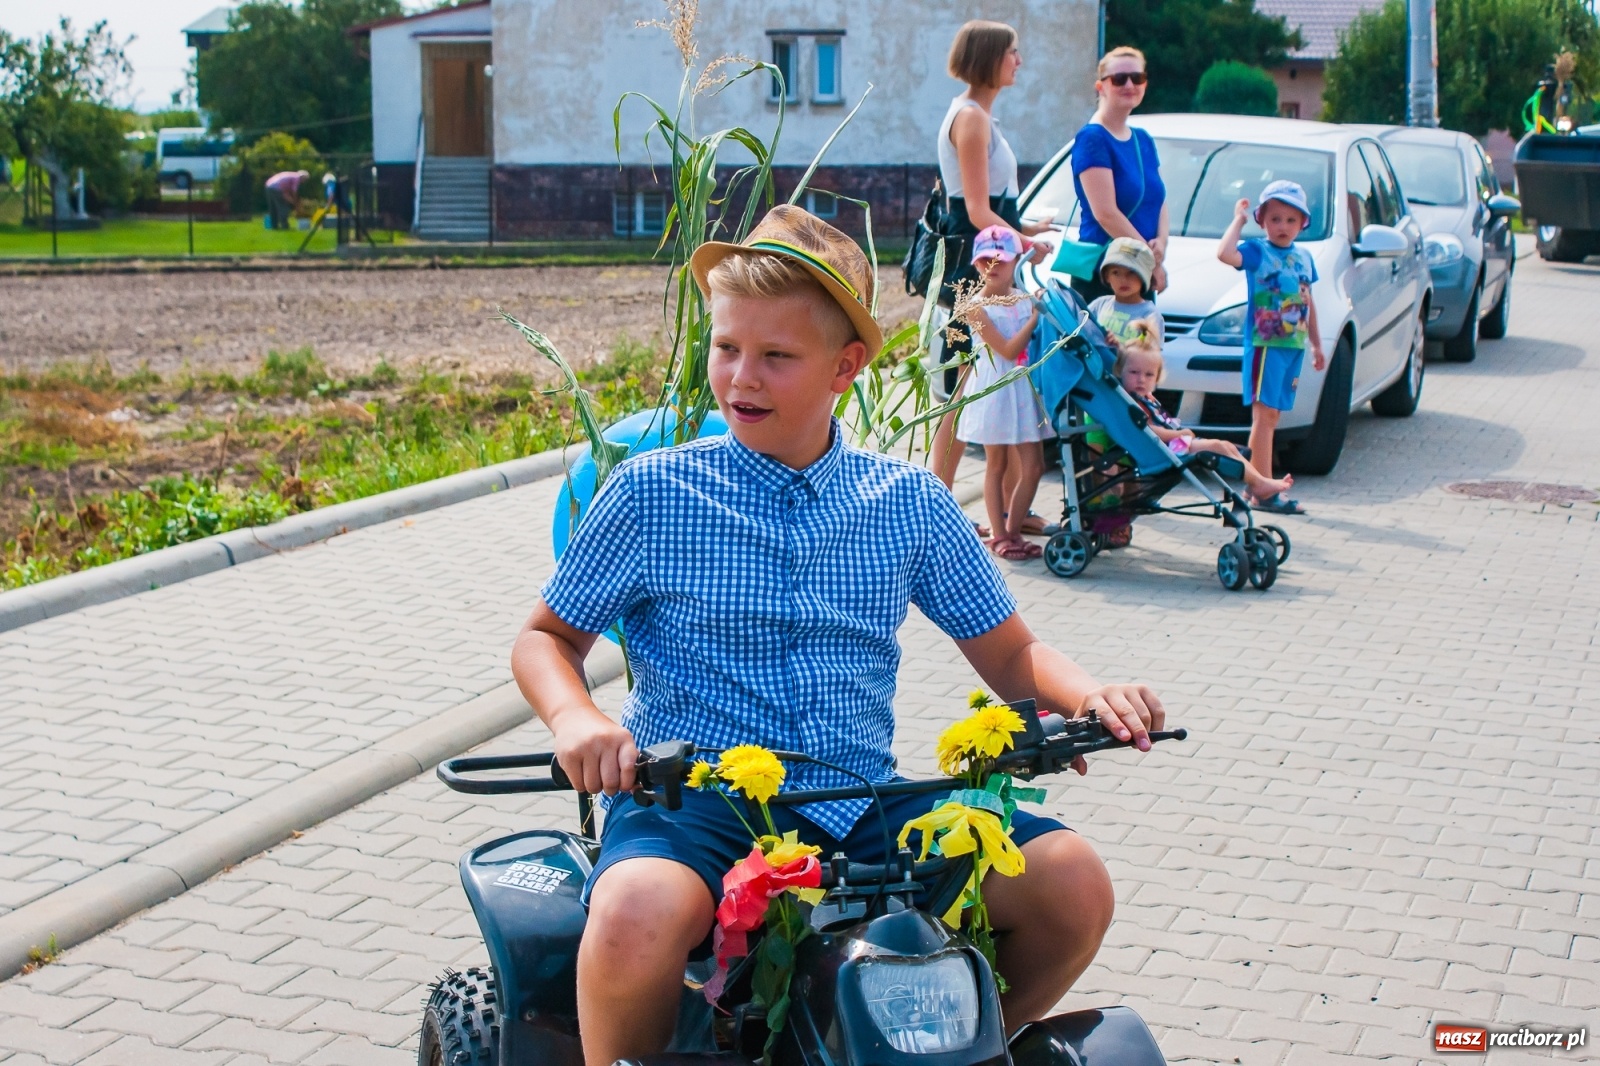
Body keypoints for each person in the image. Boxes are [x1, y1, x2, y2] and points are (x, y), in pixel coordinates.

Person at [510, 204, 1165, 1066]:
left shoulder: (906, 504)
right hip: (696, 806)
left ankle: (938, 1052)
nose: (741, 376)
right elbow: (545, 640)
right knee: (633, 911)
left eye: (776, 356)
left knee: (1072, 884)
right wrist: (576, 721)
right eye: (727, 347)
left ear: (846, 366)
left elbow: (1011, 655)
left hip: (860, 805)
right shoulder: (652, 493)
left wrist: (1089, 696)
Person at [930, 19, 1056, 492]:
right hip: (975, 270)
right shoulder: (971, 118)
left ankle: (995, 512)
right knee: (965, 389)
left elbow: (985, 207)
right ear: (990, 57)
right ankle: (936, 500)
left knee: (976, 387)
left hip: (986, 263)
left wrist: (1028, 228)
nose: (1019, 61)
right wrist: (1024, 243)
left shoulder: (975, 114)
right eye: (1013, 52)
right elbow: (978, 211)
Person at [1217, 180, 1324, 515]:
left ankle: (1257, 486)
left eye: (1291, 220)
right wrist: (1238, 220)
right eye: (1275, 218)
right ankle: (1263, 488)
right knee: (1263, 416)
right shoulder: (1256, 252)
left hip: (1292, 346)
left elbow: (1309, 302)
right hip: (1264, 345)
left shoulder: (1304, 257)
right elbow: (1224, 254)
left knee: (1272, 416)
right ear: (1263, 220)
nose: (1283, 226)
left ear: (1302, 223)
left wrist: (1317, 345)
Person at [1116, 320, 1294, 502]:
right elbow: (1147, 429)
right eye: (1134, 373)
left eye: (1148, 375)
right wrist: (1178, 434)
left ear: (1157, 378)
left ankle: (1259, 481)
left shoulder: (1145, 398)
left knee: (1226, 446)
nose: (1141, 380)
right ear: (1119, 371)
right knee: (1217, 447)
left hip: (1171, 445)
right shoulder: (1129, 402)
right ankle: (1259, 484)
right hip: (1161, 449)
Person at [956, 227, 1050, 561]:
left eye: (1001, 259)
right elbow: (1008, 350)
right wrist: (1035, 319)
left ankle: (1013, 529)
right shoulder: (975, 307)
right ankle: (1000, 535)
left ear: (1015, 262)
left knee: (1034, 464)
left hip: (1024, 390)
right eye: (984, 260)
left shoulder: (1025, 298)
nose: (992, 266)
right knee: (995, 464)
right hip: (995, 390)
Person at [1070, 46, 1168, 301]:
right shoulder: (1093, 138)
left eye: (1137, 78)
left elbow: (1159, 198)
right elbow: (1106, 214)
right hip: (1106, 273)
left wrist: (1162, 242)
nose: (1129, 84)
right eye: (1119, 79)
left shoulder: (1143, 139)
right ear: (1100, 87)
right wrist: (1149, 258)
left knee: (1142, 342)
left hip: (1138, 271)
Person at [1088, 237, 1164, 346]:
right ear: (1107, 276)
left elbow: (1150, 357)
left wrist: (1121, 349)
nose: (1123, 280)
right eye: (1116, 273)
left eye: (1132, 273)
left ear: (1144, 277)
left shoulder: (1149, 315)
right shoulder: (1099, 305)